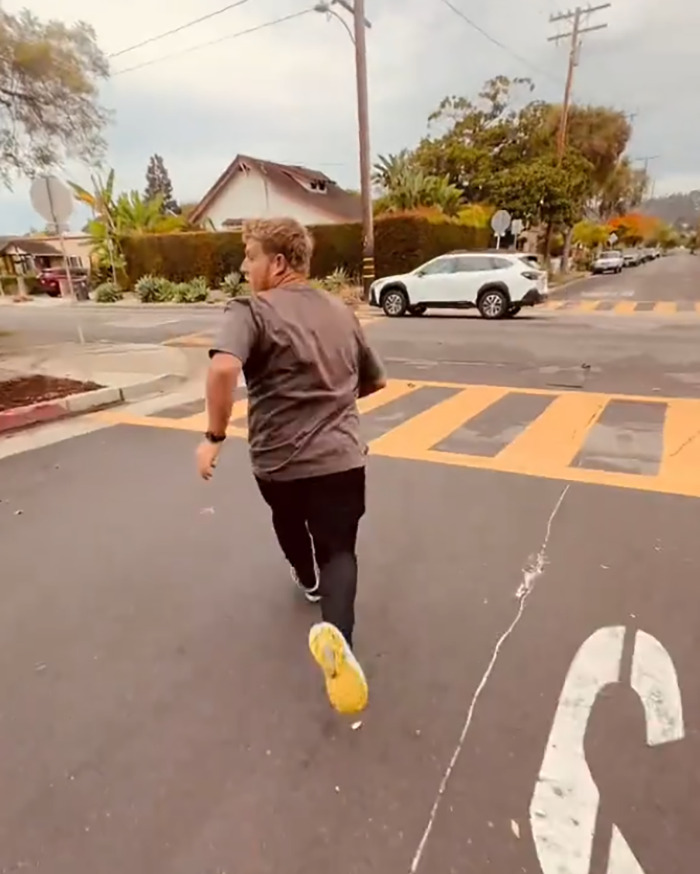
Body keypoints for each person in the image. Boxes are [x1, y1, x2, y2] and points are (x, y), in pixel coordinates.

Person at [196, 217, 386, 715]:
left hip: (278, 462)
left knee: (287, 520)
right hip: (341, 459)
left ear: (278, 262)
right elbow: (372, 381)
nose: (244, 266)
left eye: (250, 255)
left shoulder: (251, 311)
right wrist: (332, 405)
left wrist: (214, 437)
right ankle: (339, 638)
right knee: (340, 549)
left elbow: (221, 367)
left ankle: (306, 580)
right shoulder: (342, 312)